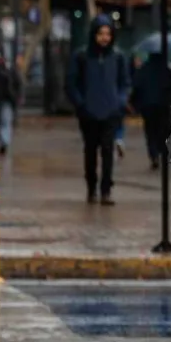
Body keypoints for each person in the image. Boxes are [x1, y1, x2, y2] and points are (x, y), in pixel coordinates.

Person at [66, 14, 131, 205]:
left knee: (108, 150)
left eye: (108, 33)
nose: (105, 37)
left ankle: (106, 190)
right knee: (91, 151)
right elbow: (71, 83)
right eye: (101, 33)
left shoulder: (118, 57)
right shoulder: (81, 56)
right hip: (89, 113)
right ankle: (92, 188)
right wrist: (80, 104)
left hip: (111, 112)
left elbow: (125, 83)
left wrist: (120, 101)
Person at [130, 52, 171, 170]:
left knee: (150, 131)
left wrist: (134, 103)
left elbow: (136, 86)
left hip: (147, 105)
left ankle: (153, 154)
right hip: (163, 105)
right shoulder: (166, 70)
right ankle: (162, 151)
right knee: (163, 130)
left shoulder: (143, 69)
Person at [0, 50, 22, 155]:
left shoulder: (9, 70)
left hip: (6, 101)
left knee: (4, 121)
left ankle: (4, 142)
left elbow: (18, 83)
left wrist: (17, 96)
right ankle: (2, 142)